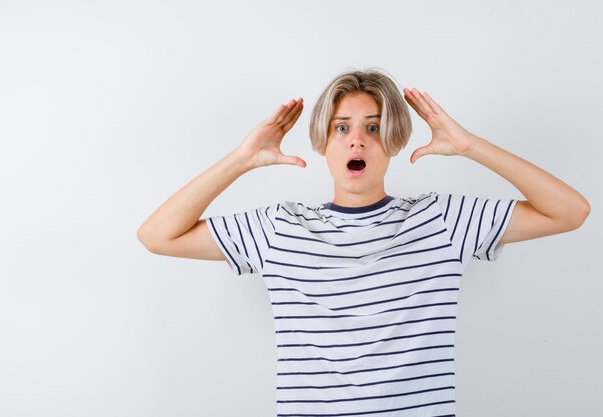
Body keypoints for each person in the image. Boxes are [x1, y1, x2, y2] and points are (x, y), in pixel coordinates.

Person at [137, 68, 590, 416]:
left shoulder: (442, 219)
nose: (357, 140)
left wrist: (471, 146)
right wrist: (240, 160)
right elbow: (157, 235)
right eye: (341, 128)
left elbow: (570, 211)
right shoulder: (279, 228)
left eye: (373, 128)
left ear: (392, 140)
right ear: (322, 142)